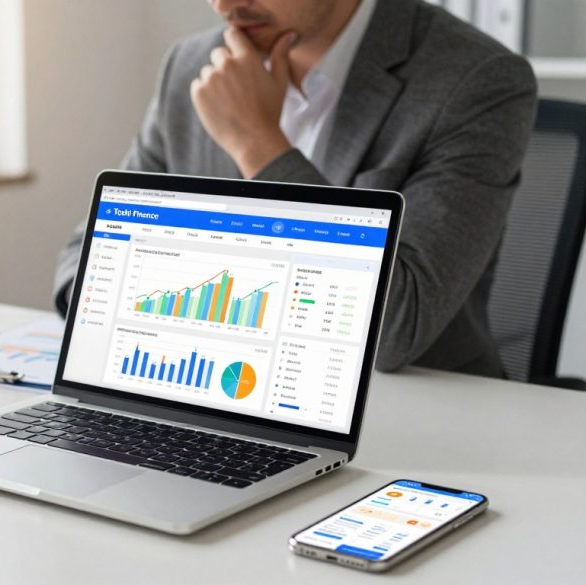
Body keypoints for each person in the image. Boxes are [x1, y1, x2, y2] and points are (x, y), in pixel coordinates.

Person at [53, 0, 537, 377]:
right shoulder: (194, 64)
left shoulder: (477, 81)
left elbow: (393, 331)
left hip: (421, 415)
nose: (225, 5)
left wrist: (258, 145)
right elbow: (84, 264)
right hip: (226, 392)